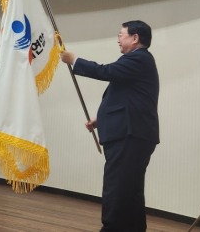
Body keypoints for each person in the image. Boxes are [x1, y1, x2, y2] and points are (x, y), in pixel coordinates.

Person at [60, 20, 159, 232]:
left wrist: (74, 60)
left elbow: (105, 72)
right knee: (129, 190)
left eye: (121, 35)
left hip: (129, 135)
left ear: (135, 38)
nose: (118, 39)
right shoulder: (138, 61)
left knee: (117, 189)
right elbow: (127, 99)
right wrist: (100, 119)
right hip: (133, 134)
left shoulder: (139, 58)